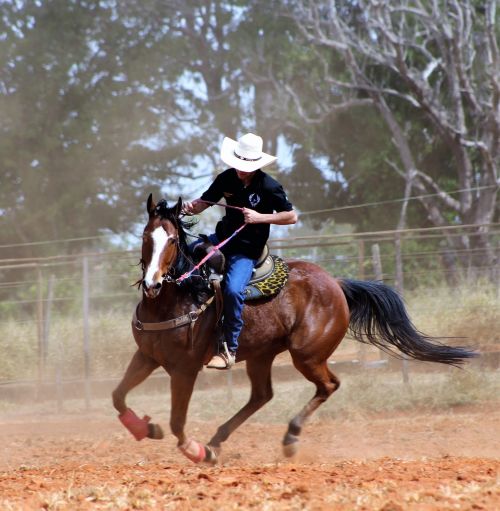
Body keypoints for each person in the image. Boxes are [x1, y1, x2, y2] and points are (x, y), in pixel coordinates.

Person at [183, 133, 297, 369]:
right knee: (186, 254)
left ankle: (229, 348)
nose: (241, 170)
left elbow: (291, 216)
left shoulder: (269, 186)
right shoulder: (226, 178)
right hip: (221, 238)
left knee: (234, 290)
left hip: (247, 251)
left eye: (246, 166)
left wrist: (260, 217)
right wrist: (191, 208)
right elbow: (206, 201)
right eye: (238, 164)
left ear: (256, 165)